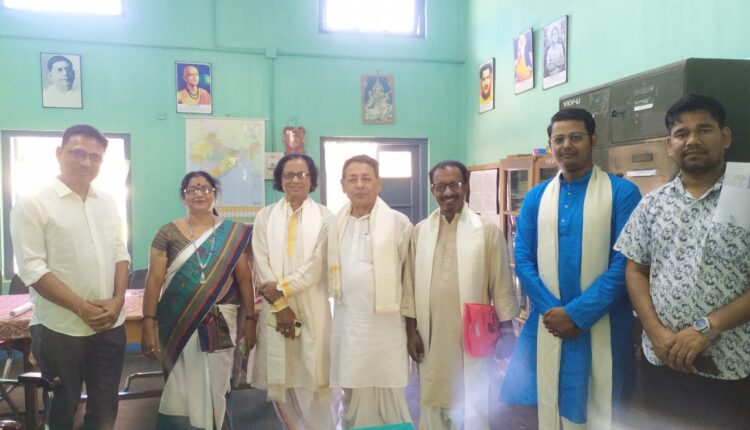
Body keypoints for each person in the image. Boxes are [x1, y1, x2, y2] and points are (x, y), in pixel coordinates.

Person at [614, 94, 750, 429]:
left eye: (704, 130)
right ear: (670, 145)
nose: (692, 140)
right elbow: (635, 269)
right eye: (681, 133)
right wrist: (654, 331)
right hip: (662, 360)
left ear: (725, 137)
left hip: (731, 365)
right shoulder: (653, 204)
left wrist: (708, 328)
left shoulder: (746, 196)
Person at [501, 108, 641, 429]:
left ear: (592, 139)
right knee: (546, 403)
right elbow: (523, 260)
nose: (566, 145)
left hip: (601, 322)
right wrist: (554, 312)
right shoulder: (536, 198)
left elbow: (625, 264)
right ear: (550, 144)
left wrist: (576, 314)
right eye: (559, 139)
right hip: (549, 322)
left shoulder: (622, 193)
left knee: (601, 408)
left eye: (575, 137)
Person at [10, 124, 130, 429]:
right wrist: (82, 308)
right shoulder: (33, 203)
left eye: (95, 157)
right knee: (63, 409)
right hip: (60, 329)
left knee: (105, 409)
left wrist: (118, 300)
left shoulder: (108, 202)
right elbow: (33, 269)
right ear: (59, 153)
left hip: (110, 325)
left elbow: (120, 252)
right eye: (78, 153)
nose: (87, 162)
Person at [403, 160, 520, 429]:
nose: (447, 193)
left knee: (472, 401)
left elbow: (501, 284)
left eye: (454, 185)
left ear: (465, 187)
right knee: (434, 398)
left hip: (472, 336)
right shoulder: (420, 231)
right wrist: (410, 332)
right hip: (432, 335)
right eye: (440, 186)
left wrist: (507, 331)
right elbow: (409, 286)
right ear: (432, 190)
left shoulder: (486, 231)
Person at [141, 171, 255, 429]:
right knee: (179, 387)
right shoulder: (167, 232)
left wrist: (250, 319)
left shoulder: (233, 233)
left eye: (205, 188)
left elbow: (245, 278)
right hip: (177, 321)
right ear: (184, 197)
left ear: (215, 194)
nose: (199, 194)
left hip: (220, 323)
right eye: (192, 189)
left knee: (218, 386)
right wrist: (148, 321)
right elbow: (154, 279)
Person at [251, 153, 337, 429]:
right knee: (284, 380)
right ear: (280, 180)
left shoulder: (326, 216)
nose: (295, 180)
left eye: (302, 175)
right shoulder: (265, 216)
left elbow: (318, 264)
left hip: (312, 305)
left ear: (312, 180)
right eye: (289, 175)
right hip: (276, 310)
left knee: (314, 375)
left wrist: (281, 288)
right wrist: (280, 306)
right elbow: (260, 261)